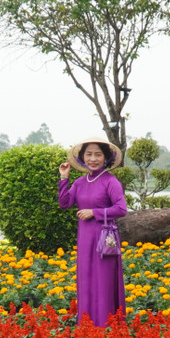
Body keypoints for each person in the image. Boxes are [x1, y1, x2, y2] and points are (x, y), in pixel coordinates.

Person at [57, 136, 127, 326]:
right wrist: (64, 177)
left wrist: (94, 212)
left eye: (98, 154)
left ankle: (105, 326)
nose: (93, 159)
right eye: (89, 154)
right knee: (86, 280)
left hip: (105, 240)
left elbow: (121, 209)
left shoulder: (110, 182)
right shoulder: (79, 182)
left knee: (103, 282)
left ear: (106, 158)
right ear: (82, 157)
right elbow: (64, 203)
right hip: (85, 240)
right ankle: (86, 324)